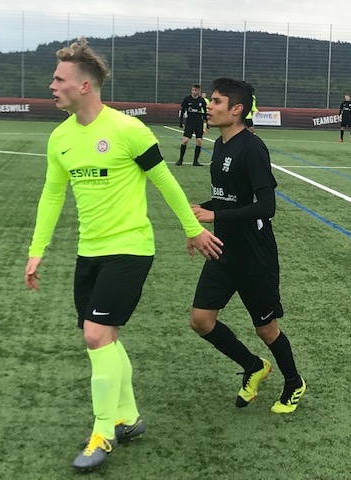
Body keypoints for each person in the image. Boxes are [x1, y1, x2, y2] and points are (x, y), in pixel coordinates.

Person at [23, 38, 223, 472]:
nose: (52, 86)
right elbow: (52, 195)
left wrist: (192, 229)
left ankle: (103, 432)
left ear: (84, 85)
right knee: (105, 337)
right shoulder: (60, 138)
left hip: (130, 248)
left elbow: (164, 180)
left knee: (95, 335)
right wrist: (37, 250)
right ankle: (128, 418)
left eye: (58, 79)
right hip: (89, 251)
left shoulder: (128, 130)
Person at [190, 78, 306, 415]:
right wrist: (197, 215)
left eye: (216, 101)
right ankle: (253, 366)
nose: (209, 106)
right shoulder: (219, 145)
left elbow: (266, 207)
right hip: (223, 250)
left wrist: (214, 215)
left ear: (236, 109)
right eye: (210, 100)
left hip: (255, 256)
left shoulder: (253, 148)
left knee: (266, 329)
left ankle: (294, 382)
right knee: (201, 320)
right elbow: (226, 198)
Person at [176, 84, 208, 166]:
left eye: (196, 90)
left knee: (199, 141)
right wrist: (181, 122)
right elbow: (183, 111)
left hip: (198, 123)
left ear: (198, 91)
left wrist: (207, 123)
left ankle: (195, 161)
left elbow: (205, 112)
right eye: (193, 90)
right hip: (190, 122)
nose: (194, 92)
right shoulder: (187, 99)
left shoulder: (201, 100)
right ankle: (180, 159)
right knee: (185, 140)